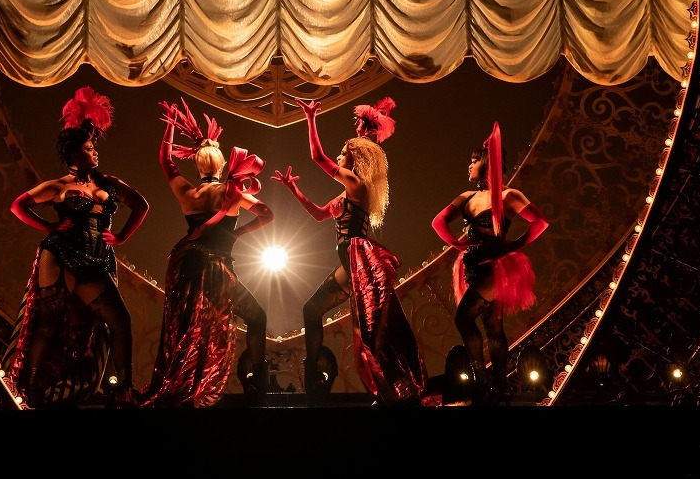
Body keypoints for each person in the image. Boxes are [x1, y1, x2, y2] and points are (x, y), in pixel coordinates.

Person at [271, 95, 427, 405]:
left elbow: (317, 157)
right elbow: (318, 214)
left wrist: (311, 117)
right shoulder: (344, 197)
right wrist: (294, 190)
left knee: (370, 337)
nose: (339, 157)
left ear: (353, 159)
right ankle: (314, 377)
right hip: (350, 265)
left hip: (362, 263)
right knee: (312, 310)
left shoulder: (358, 187)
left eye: (343, 153)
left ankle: (394, 393)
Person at [5, 86, 150, 408]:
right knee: (49, 322)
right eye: (87, 148)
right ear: (72, 154)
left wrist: (122, 236)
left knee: (118, 320)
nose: (94, 152)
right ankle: (30, 389)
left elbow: (141, 205)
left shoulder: (109, 182)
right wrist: (50, 226)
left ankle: (123, 389)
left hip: (95, 258)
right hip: (59, 253)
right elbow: (18, 206)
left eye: (93, 146)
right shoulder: (58, 186)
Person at [138, 98, 273, 407]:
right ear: (222, 164)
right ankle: (252, 383)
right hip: (216, 267)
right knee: (254, 316)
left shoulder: (188, 192)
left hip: (186, 261)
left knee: (187, 327)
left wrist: (171, 126)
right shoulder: (232, 191)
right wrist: (237, 233)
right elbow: (267, 214)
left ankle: (182, 385)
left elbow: (165, 161)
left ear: (197, 165)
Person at [430, 121, 549, 404]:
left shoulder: (508, 196)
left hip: (496, 269)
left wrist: (515, 245)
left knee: (464, 317)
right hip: (474, 266)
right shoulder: (466, 197)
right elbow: (437, 222)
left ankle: (481, 376)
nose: (468, 167)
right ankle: (500, 384)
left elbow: (540, 222)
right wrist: (456, 243)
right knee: (493, 327)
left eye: (472, 161)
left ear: (483, 163)